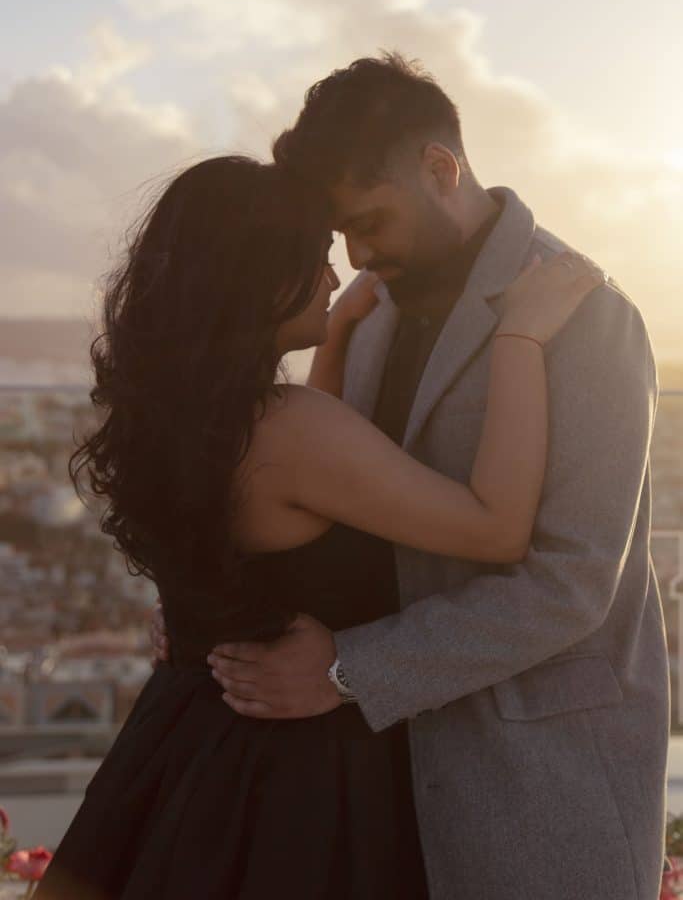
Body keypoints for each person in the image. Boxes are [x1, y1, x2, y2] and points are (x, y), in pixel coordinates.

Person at [150, 55, 669, 900]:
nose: (356, 253)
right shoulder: (373, 302)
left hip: (533, 780)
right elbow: (327, 500)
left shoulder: (583, 313)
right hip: (373, 790)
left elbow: (573, 581)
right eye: (340, 235)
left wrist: (348, 668)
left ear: (440, 169)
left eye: (370, 222)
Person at [36, 153, 598, 900]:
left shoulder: (178, 413)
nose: (336, 279)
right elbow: (495, 530)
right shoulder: (291, 431)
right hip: (295, 771)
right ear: (261, 280)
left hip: (186, 741)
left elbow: (298, 498)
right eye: (314, 261)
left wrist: (331, 341)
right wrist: (520, 339)